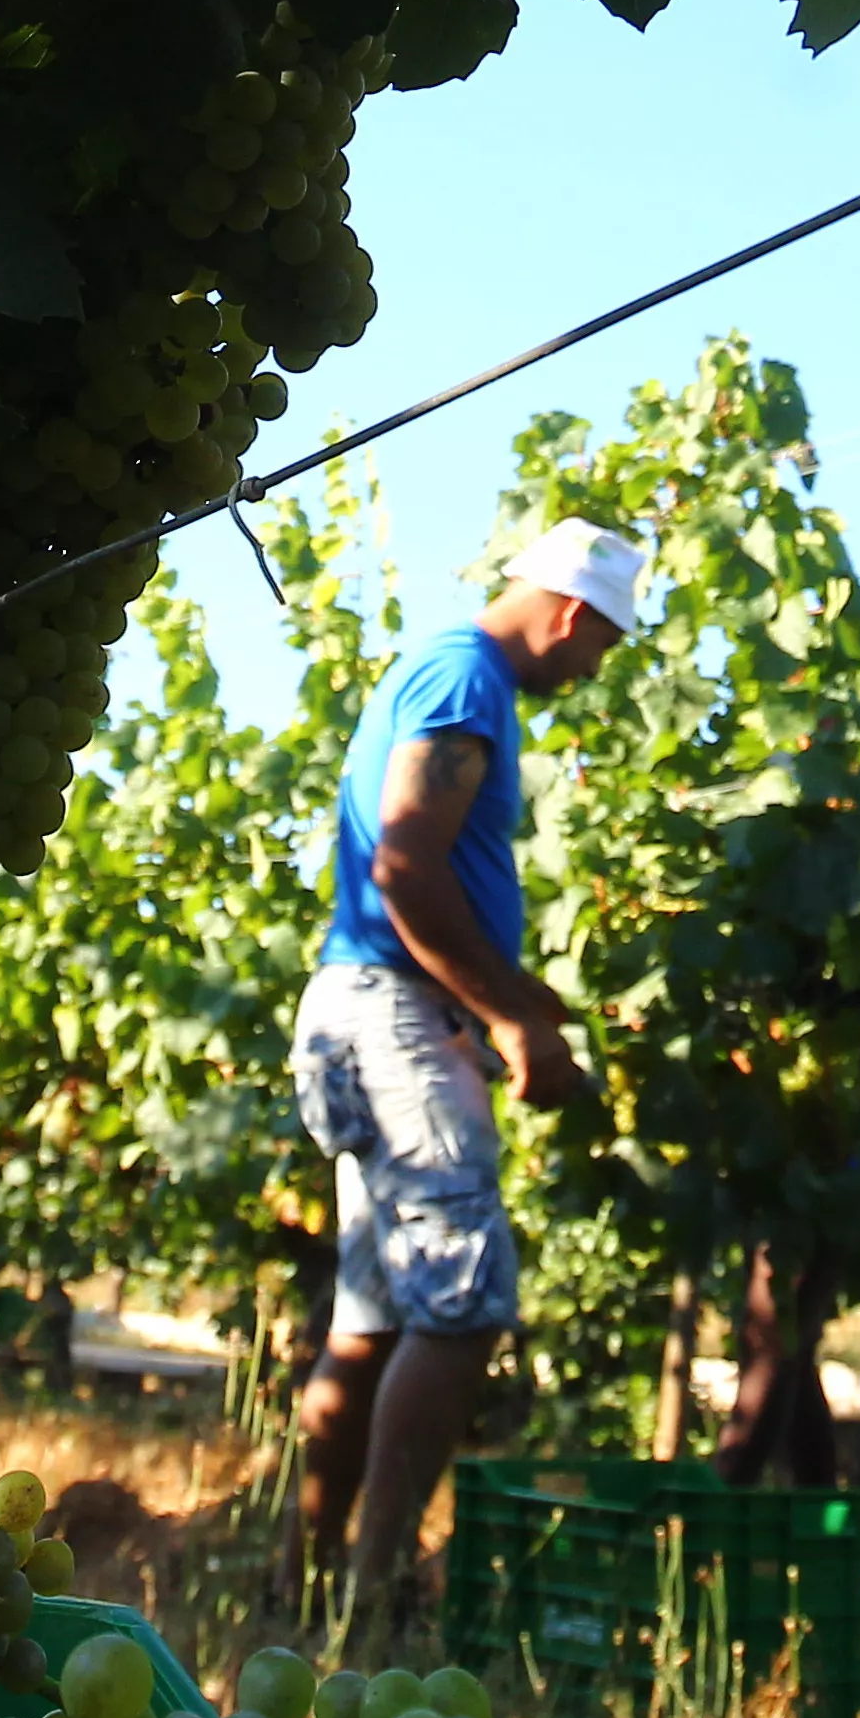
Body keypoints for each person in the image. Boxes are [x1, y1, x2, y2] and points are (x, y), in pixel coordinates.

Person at [290, 514, 643, 1629]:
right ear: (576, 614)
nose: (593, 674)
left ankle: (303, 1580)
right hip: (397, 1016)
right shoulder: (465, 680)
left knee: (377, 1319)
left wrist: (521, 1000)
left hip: (364, 1009)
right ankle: (375, 1595)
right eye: (604, 649)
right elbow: (404, 864)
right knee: (463, 1307)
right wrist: (515, 1022)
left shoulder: (451, 673)